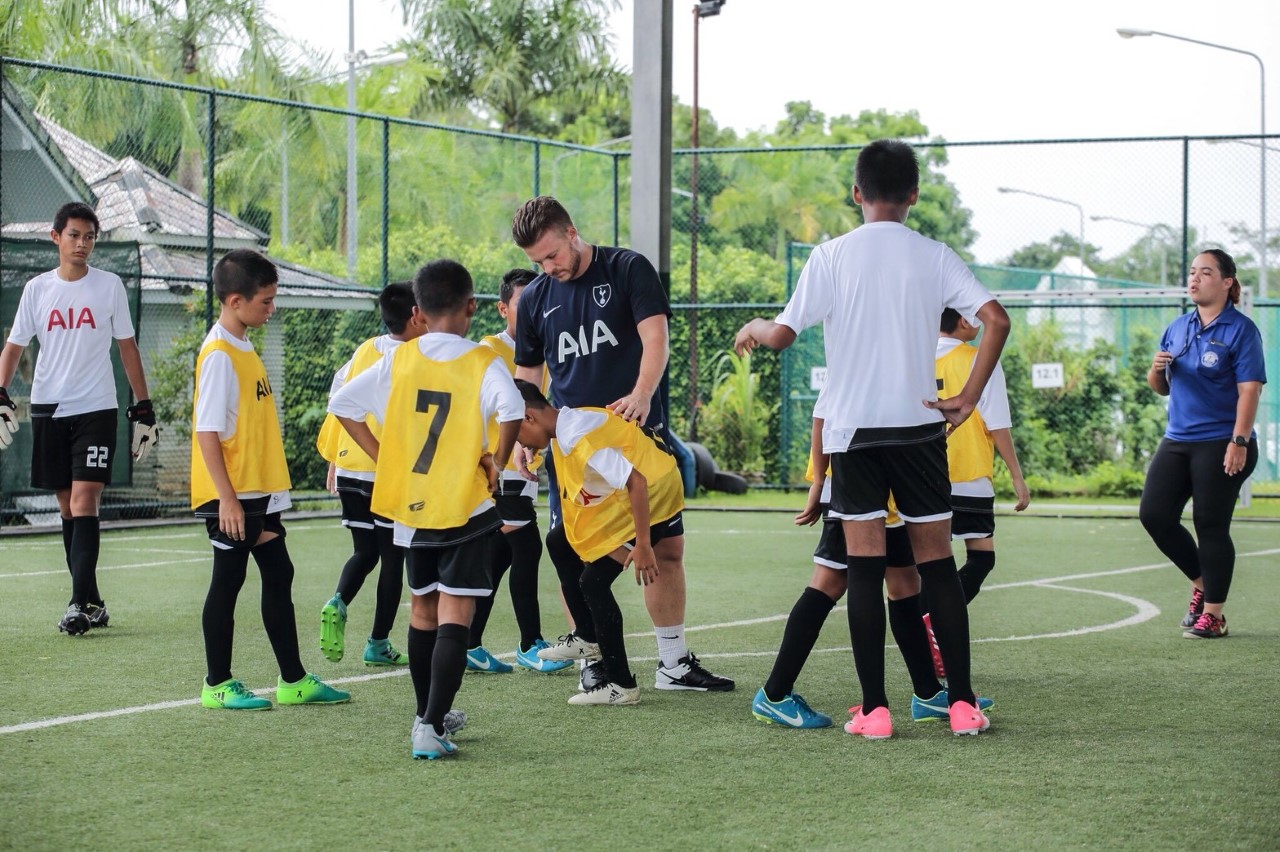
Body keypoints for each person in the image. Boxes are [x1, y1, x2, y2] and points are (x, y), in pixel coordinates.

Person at [734, 139, 1010, 738]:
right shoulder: (934, 254)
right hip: (918, 432)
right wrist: (966, 398)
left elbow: (781, 335)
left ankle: (876, 712)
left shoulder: (829, 256)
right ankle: (961, 706)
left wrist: (754, 326)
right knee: (936, 568)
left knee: (862, 571)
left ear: (856, 194)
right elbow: (997, 320)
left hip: (854, 435)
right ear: (914, 195)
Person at [511, 196, 733, 693]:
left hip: (634, 441)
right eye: (537, 262)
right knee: (574, 553)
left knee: (668, 550)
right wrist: (524, 437)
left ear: (571, 231)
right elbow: (528, 374)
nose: (548, 268)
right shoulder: (537, 300)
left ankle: (673, 664)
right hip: (576, 453)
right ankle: (594, 661)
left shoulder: (628, 268)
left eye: (552, 255)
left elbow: (656, 338)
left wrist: (642, 392)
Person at [329, 258, 523, 759]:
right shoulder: (482, 359)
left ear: (419, 310)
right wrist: (495, 462)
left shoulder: (400, 358)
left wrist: (387, 458)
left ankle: (426, 716)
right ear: (471, 307)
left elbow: (343, 406)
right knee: (457, 612)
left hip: (410, 507)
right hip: (463, 505)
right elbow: (514, 411)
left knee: (422, 612)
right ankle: (431, 725)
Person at [751, 418, 993, 735]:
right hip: (851, 470)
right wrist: (819, 482)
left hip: (888, 472)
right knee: (830, 580)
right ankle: (774, 693)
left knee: (904, 582)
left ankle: (928, 693)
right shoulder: (856, 373)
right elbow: (822, 412)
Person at [191, 248, 349, 710]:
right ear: (235, 301)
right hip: (233, 494)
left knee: (279, 572)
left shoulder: (243, 347)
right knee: (228, 580)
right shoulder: (219, 353)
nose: (272, 308)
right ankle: (217, 683)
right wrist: (227, 500)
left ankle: (293, 681)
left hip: (258, 491)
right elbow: (206, 433)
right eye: (266, 301)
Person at [0, 201, 157, 635]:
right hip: (49, 407)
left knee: (86, 500)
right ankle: (93, 601)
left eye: (90, 237)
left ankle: (76, 604)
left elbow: (128, 348)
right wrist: (0, 394)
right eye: (74, 235)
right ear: (56, 237)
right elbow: (14, 348)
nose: (82, 244)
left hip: (97, 407)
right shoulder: (36, 290)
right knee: (67, 507)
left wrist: (144, 407)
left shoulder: (109, 287)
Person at [514, 379, 684, 706]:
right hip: (644, 484)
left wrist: (644, 545)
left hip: (655, 495)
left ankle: (621, 685)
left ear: (528, 417)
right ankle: (587, 637)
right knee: (559, 541)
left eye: (516, 432)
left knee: (593, 583)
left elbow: (636, 481)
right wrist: (532, 444)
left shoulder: (577, 437)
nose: (518, 443)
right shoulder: (566, 423)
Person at [1140, 249, 1266, 640]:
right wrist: (1156, 370)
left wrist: (1239, 440)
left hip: (1222, 441)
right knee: (1154, 515)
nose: (1194, 279)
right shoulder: (1178, 327)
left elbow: (1249, 391)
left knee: (1210, 525)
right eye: (1192, 272)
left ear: (1227, 283)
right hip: (1178, 440)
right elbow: (1160, 388)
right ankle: (1201, 584)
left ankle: (1215, 615)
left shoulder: (1241, 330)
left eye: (1205, 272)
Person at [466, 268, 573, 674]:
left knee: (502, 554)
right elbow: (494, 409)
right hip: (501, 464)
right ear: (502, 308)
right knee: (525, 547)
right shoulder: (489, 350)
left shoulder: (546, 347)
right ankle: (530, 643)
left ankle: (468, 641)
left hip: (526, 466)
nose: (535, 310)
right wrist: (504, 454)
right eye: (524, 303)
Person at [315, 282, 425, 668]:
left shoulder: (366, 348)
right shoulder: (415, 357)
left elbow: (339, 395)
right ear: (416, 315)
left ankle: (338, 600)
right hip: (384, 470)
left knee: (364, 551)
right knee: (393, 560)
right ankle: (377, 642)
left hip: (349, 465)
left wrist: (334, 459)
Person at [937, 308, 1030, 602]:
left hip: (918, 475)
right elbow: (998, 423)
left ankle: (921, 626)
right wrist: (1017, 476)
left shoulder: (912, 359)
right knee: (981, 558)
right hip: (968, 475)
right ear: (965, 320)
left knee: (926, 564)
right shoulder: (979, 359)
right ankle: (936, 621)